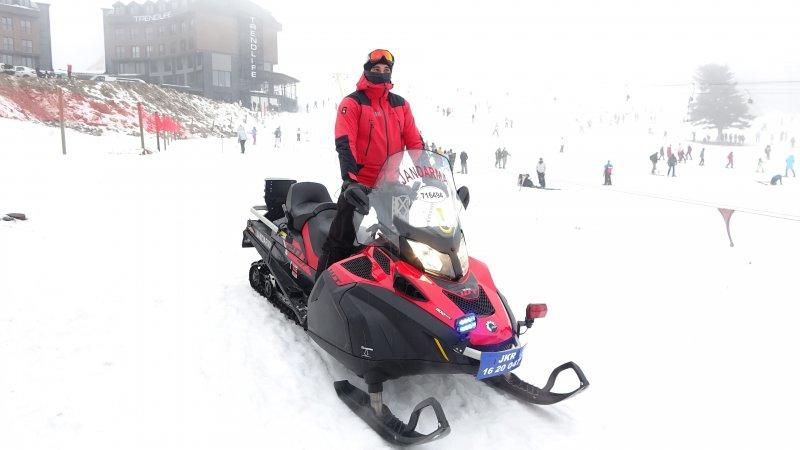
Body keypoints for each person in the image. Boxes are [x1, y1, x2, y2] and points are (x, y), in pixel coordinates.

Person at [318, 49, 423, 276]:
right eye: (376, 69)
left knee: (400, 242)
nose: (381, 73)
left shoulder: (401, 105)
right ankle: (319, 289)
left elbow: (414, 141)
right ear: (367, 70)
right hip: (360, 186)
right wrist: (350, 180)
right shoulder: (353, 102)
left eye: (386, 70)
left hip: (390, 185)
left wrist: (430, 175)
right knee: (340, 240)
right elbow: (345, 142)